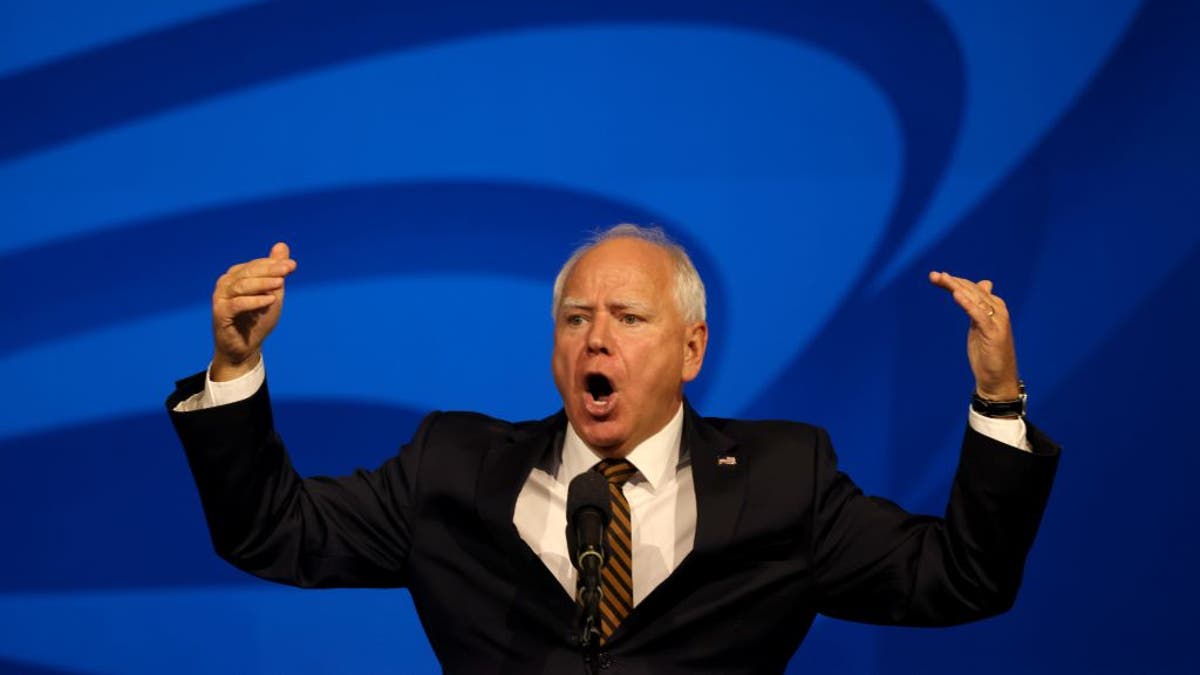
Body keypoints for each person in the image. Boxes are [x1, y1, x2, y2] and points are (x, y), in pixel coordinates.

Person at [167, 225, 1058, 674]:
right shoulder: (452, 466)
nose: (597, 340)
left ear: (693, 348)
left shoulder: (789, 479)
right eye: (575, 319)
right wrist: (236, 366)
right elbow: (270, 531)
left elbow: (963, 579)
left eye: (629, 319)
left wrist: (998, 400)